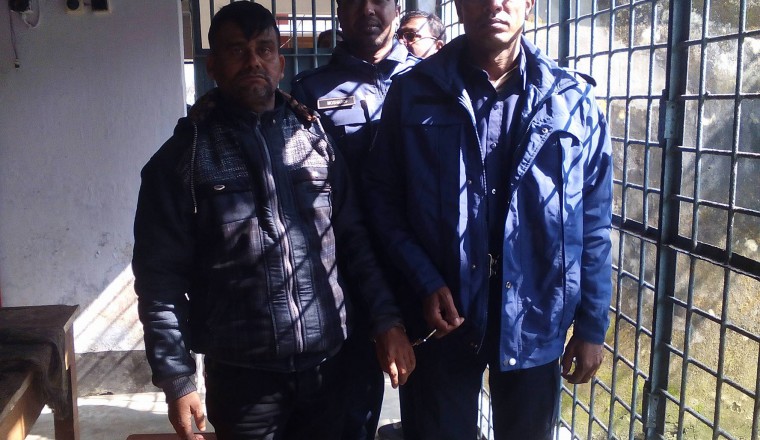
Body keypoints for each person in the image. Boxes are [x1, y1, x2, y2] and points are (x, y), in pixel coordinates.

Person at [132, 2, 414, 439]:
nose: (253, 62)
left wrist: (386, 320)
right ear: (212, 66)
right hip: (244, 379)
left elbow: (354, 241)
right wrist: (177, 378)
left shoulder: (315, 139)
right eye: (236, 50)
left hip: (332, 369)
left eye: (264, 49)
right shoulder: (184, 158)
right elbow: (159, 280)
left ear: (280, 64)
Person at [364, 0, 614, 436]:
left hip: (535, 318)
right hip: (442, 322)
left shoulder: (572, 99)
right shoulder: (413, 92)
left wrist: (591, 326)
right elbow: (383, 202)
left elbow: (593, 221)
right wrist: (424, 279)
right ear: (460, 6)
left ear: (529, 5)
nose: (495, 3)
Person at [289, 0, 419, 438]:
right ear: (339, 12)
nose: (368, 9)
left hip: (422, 277)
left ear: (397, 8)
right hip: (348, 280)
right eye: (354, 1)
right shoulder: (309, 91)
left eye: (379, 0)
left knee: (435, 416)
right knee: (348, 415)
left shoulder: (430, 80)